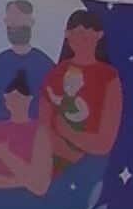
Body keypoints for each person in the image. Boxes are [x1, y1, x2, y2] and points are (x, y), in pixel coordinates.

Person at [40, 10, 122, 173]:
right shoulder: (55, 74)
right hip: (55, 168)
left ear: (98, 35)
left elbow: (105, 142)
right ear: (67, 35)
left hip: (94, 168)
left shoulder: (109, 78)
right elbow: (44, 129)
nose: (80, 39)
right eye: (75, 34)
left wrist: (69, 133)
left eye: (85, 34)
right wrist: (68, 154)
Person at [0, 71, 54, 195]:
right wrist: (20, 182)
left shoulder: (39, 132)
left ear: (28, 99)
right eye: (9, 98)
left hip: (28, 201)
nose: (13, 103)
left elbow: (40, 185)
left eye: (17, 98)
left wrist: (4, 154)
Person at [0, 0, 55, 123]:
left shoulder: (44, 64)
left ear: (31, 22)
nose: (13, 25)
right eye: (10, 20)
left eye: (17, 19)